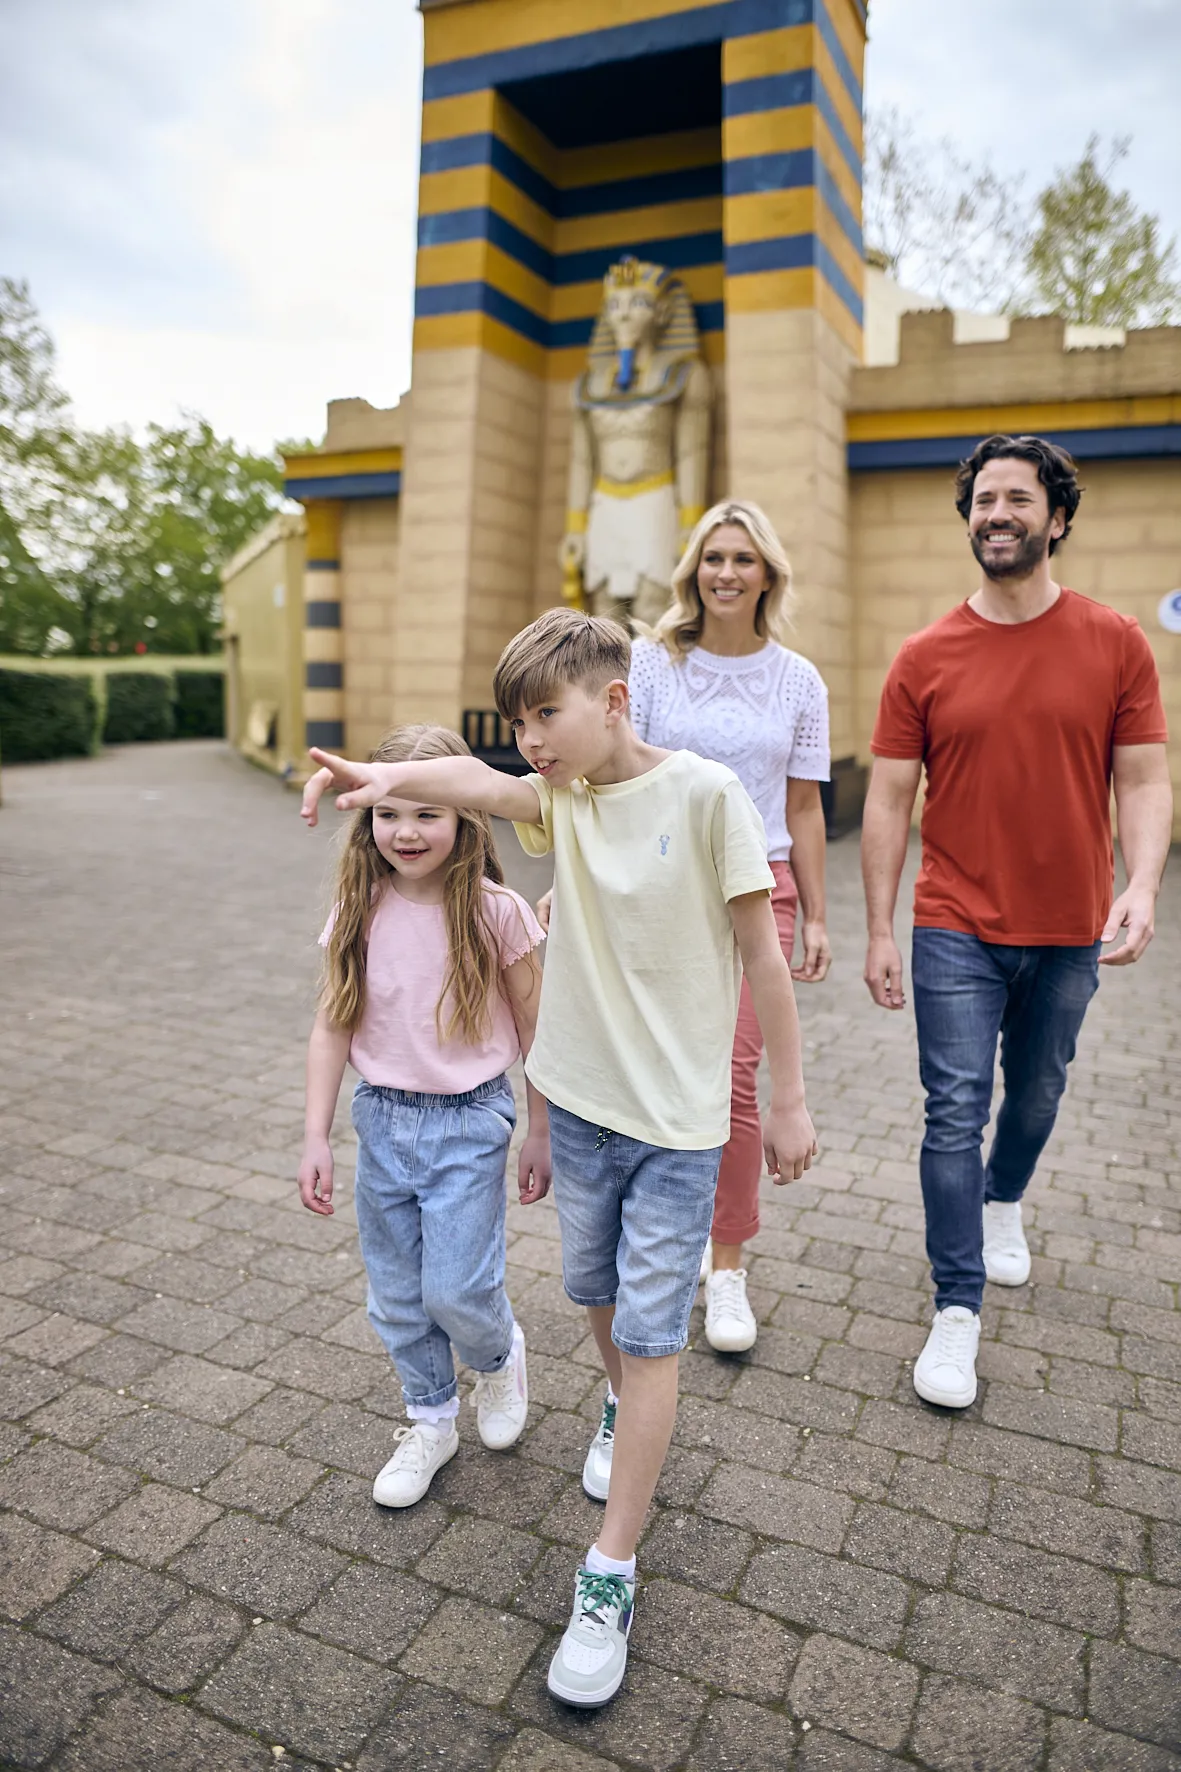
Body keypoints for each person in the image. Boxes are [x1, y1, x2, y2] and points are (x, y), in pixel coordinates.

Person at [301, 610, 817, 1709]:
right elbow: (468, 783)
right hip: (577, 1110)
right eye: (517, 720)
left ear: (613, 700)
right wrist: (357, 769)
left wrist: (785, 1096)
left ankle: (610, 1566)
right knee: (591, 1295)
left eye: (546, 715)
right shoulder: (561, 801)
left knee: (648, 1330)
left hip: (678, 1124)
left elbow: (761, 959)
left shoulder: (706, 796)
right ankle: (616, 1408)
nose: (527, 739)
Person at [862, 434, 1172, 1410]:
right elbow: (882, 800)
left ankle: (1003, 1197)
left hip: (1069, 920)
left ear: (1057, 518)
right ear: (967, 520)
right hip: (950, 916)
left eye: (1015, 497)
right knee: (950, 1108)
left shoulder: (1115, 640)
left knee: (1034, 1095)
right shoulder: (921, 656)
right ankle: (954, 1309)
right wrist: (877, 927)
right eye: (981, 499)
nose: (995, 512)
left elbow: (1142, 777)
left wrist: (1142, 882)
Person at [538, 499, 831, 1354]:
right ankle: (643, 1231)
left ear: (767, 573)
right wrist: (571, 878)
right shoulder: (650, 666)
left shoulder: (799, 680)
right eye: (712, 557)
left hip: (757, 883)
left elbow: (806, 807)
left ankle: (727, 1261)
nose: (726, 573)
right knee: (644, 1063)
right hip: (653, 883)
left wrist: (814, 912)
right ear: (692, 571)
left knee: (733, 1078)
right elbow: (601, 779)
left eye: (743, 558)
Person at [298, 724, 550, 1508]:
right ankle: (431, 1418)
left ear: (464, 817)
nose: (406, 831)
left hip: (471, 1123)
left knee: (456, 1290)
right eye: (389, 814)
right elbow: (331, 1024)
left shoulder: (497, 912)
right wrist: (315, 1134)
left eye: (427, 812)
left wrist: (540, 1127)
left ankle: (498, 1356)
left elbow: (537, 1026)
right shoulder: (357, 909)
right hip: (381, 1122)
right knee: (397, 1297)